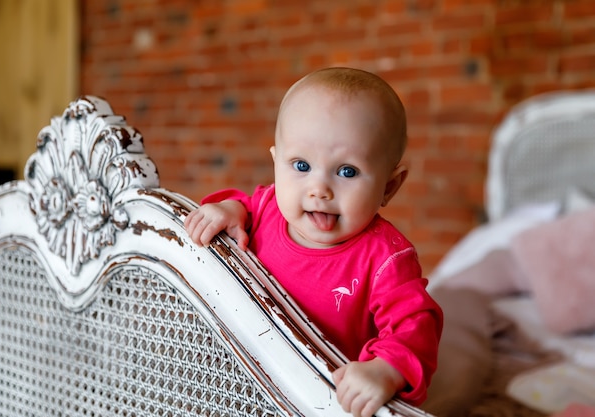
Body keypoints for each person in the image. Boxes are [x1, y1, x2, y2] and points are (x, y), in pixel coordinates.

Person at [185, 67, 443, 417]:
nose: (319, 189)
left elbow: (415, 326)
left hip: (324, 400)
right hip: (242, 378)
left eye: (347, 171)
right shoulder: (265, 208)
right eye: (301, 165)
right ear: (276, 163)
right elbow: (245, 204)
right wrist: (228, 208)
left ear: (389, 187)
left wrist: (384, 370)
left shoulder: (386, 258)